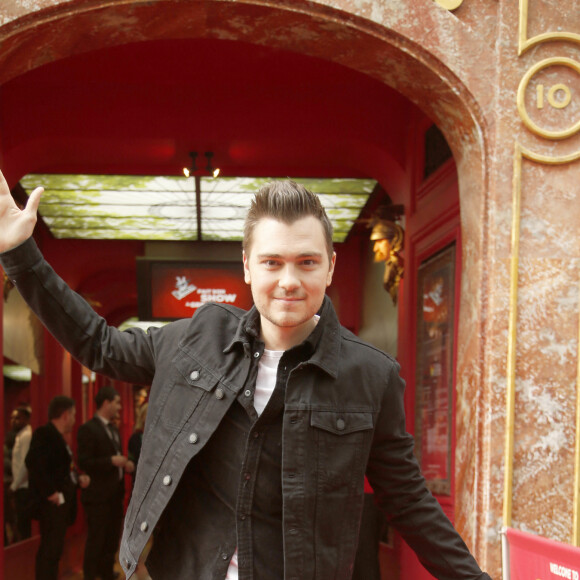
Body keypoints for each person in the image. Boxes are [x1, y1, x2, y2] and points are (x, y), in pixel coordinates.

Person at [0, 170, 492, 579]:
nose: (289, 281)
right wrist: (21, 253)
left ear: (331, 267)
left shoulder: (370, 375)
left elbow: (407, 498)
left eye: (306, 262)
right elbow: (100, 343)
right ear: (247, 267)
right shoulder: (197, 337)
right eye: (272, 262)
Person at [25, 395, 90, 580]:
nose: (74, 419)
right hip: (51, 507)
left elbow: (62, 471)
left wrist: (78, 480)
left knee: (54, 552)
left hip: (61, 507)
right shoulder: (44, 434)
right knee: (49, 552)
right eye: (74, 414)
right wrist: (51, 493)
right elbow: (33, 463)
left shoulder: (59, 438)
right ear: (65, 415)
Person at [77, 385, 134, 580]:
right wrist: (110, 461)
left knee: (111, 538)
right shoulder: (87, 429)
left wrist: (124, 464)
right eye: (117, 403)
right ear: (106, 403)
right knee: (96, 539)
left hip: (114, 495)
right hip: (98, 496)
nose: (119, 407)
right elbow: (84, 461)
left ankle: (107, 572)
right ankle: (91, 575)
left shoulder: (113, 429)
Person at [9, 405, 33, 541]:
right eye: (12, 418)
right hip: (21, 487)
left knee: (24, 525)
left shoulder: (26, 436)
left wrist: (14, 486)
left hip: (24, 488)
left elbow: (26, 464)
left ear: (27, 419)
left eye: (18, 418)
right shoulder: (20, 435)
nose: (13, 421)